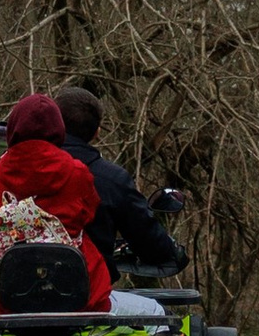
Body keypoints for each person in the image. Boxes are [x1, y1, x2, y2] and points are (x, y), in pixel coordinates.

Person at [0, 93, 112, 315]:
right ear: (59, 130)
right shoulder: (78, 175)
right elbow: (90, 216)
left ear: (12, 131)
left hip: (7, 308)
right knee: (153, 311)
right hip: (81, 302)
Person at [51, 85, 187, 279]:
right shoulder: (111, 180)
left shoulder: (17, 173)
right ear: (97, 132)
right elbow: (151, 244)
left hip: (15, 299)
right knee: (159, 310)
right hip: (90, 300)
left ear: (52, 124)